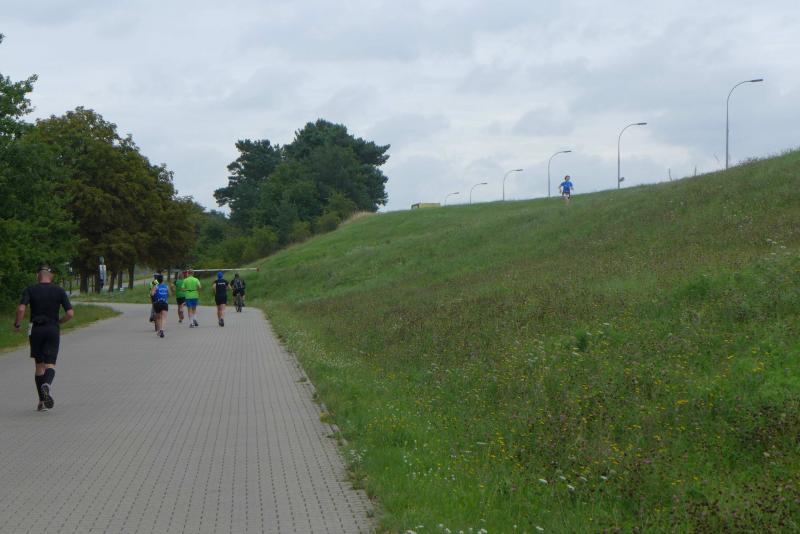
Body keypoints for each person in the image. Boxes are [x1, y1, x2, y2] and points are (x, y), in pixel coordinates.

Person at [13, 264, 74, 412]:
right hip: (52, 329)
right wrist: (59, 322)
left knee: (39, 365)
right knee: (50, 364)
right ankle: (47, 385)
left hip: (36, 329)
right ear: (51, 276)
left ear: (37, 276)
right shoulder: (59, 290)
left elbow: (21, 308)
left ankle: (42, 401)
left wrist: (17, 324)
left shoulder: (30, 289)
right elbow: (70, 313)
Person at [150, 273, 170, 338]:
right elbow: (169, 294)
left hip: (157, 303)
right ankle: (162, 330)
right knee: (164, 317)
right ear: (163, 280)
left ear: (157, 280)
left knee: (158, 318)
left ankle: (159, 330)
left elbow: (152, 294)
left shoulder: (155, 286)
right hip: (164, 302)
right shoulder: (166, 286)